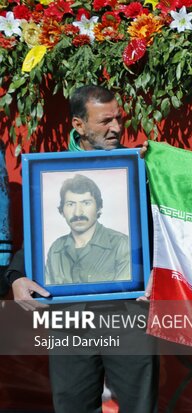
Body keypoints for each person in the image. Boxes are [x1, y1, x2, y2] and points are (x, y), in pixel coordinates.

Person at [3, 85, 158, 413]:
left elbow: (162, 231)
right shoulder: (49, 174)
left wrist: (159, 271)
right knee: (72, 404)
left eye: (118, 119)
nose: (116, 128)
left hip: (129, 313)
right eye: (105, 121)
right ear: (78, 125)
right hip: (69, 316)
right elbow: (39, 235)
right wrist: (16, 277)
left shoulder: (140, 169)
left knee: (140, 406)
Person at [45, 174, 130, 285]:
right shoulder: (56, 249)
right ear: (62, 211)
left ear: (99, 207)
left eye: (86, 203)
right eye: (70, 204)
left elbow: (124, 294)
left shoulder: (121, 244)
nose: (78, 213)